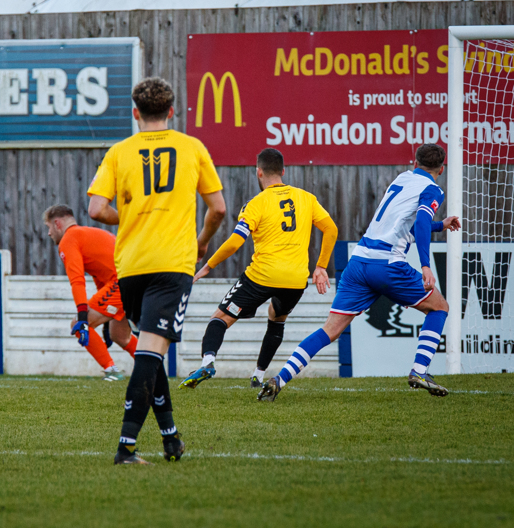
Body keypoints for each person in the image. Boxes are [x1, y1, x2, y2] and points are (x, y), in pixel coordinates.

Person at [88, 77, 226, 465]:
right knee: (151, 352)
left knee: (152, 348)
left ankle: (170, 439)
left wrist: (128, 216)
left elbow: (97, 209)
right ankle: (126, 449)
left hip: (131, 266)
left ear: (135, 113)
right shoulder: (192, 147)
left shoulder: (119, 152)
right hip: (171, 265)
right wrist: (201, 242)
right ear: (170, 112)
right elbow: (217, 208)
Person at [258, 143, 460, 401]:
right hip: (388, 265)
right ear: (442, 168)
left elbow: (401, 225)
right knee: (439, 307)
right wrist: (425, 266)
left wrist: (439, 225)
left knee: (329, 330)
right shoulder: (433, 189)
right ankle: (420, 370)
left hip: (359, 261)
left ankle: (279, 379)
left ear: (414, 163)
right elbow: (419, 222)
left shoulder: (402, 179)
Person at [180, 148, 338, 390]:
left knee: (220, 317)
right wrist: (320, 266)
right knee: (277, 319)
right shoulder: (306, 197)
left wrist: (208, 266)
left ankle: (208, 361)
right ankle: (258, 375)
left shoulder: (256, 203)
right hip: (295, 279)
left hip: (261, 277)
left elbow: (235, 241)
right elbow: (331, 229)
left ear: (258, 172)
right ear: (283, 171)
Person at [43, 204, 139, 381]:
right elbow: (102, 274)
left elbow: (77, 280)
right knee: (119, 336)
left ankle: (111, 370)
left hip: (122, 282)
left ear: (57, 223)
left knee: (77, 325)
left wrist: (82, 315)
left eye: (48, 227)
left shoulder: (69, 240)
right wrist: (103, 318)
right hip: (132, 278)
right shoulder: (88, 233)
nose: (49, 233)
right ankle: (153, 367)